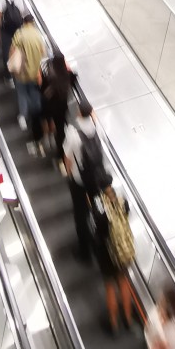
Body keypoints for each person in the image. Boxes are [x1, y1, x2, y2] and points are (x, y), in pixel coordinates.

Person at [63, 100, 110, 263]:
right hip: (97, 177)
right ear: (91, 113)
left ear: (78, 113)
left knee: (80, 214)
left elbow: (68, 159)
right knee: (97, 208)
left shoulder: (73, 133)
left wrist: (69, 176)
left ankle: (85, 251)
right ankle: (103, 243)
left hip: (79, 179)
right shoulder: (98, 127)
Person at [92, 180, 137, 336]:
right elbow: (126, 216)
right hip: (123, 250)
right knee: (123, 282)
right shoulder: (122, 201)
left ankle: (114, 323)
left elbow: (98, 226)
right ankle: (128, 320)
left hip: (106, 251)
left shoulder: (99, 203)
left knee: (110, 286)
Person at [9, 13, 48, 150]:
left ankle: (23, 117)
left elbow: (13, 51)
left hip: (21, 72)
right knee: (34, 93)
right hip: (34, 72)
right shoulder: (38, 36)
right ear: (33, 23)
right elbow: (43, 53)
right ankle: (36, 114)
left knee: (22, 93)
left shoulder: (19, 34)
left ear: (24, 22)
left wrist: (13, 65)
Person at [41, 51, 76, 159]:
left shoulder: (50, 76)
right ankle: (60, 152)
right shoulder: (68, 75)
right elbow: (74, 79)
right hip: (62, 107)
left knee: (48, 121)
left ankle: (47, 139)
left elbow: (43, 89)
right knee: (61, 128)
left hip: (49, 105)